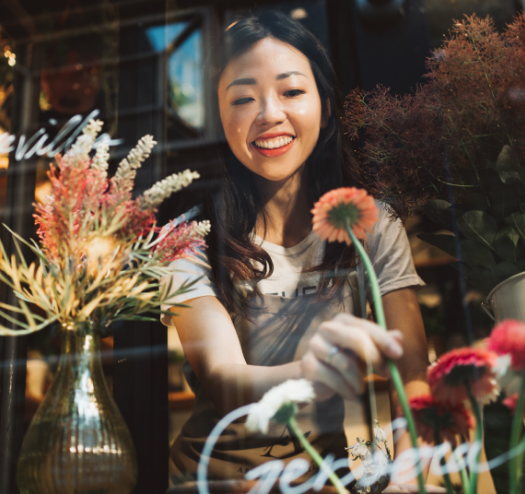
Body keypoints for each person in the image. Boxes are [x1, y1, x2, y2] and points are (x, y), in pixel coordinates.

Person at [163, 10, 434, 491]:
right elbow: (226, 383)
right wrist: (315, 372)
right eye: (243, 98)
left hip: (329, 479)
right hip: (219, 481)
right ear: (217, 119)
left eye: (291, 91)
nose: (269, 114)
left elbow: (412, 378)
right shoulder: (190, 239)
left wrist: (411, 475)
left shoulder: (371, 225)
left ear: (325, 107)